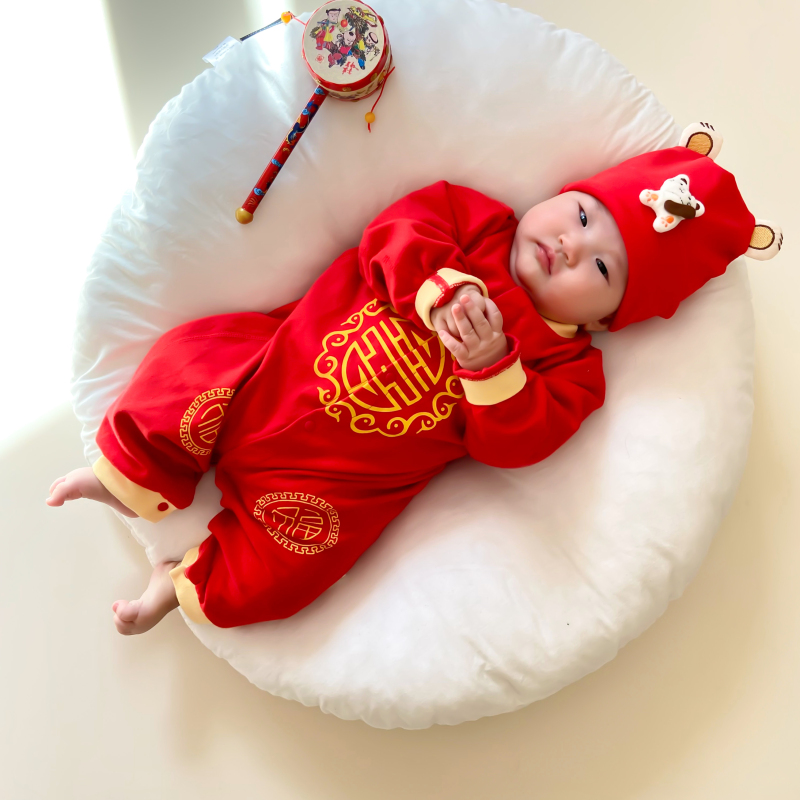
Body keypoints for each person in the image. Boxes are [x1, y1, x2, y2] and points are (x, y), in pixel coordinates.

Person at [46, 123, 780, 635]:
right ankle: (128, 473)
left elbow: (518, 444)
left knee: (290, 569)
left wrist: (491, 366)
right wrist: (443, 288)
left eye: (601, 266)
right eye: (584, 215)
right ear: (566, 194)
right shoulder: (472, 221)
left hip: (335, 480)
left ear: (611, 317)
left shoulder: (569, 372)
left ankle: (181, 584)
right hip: (270, 366)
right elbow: (393, 234)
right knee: (187, 362)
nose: (569, 243)